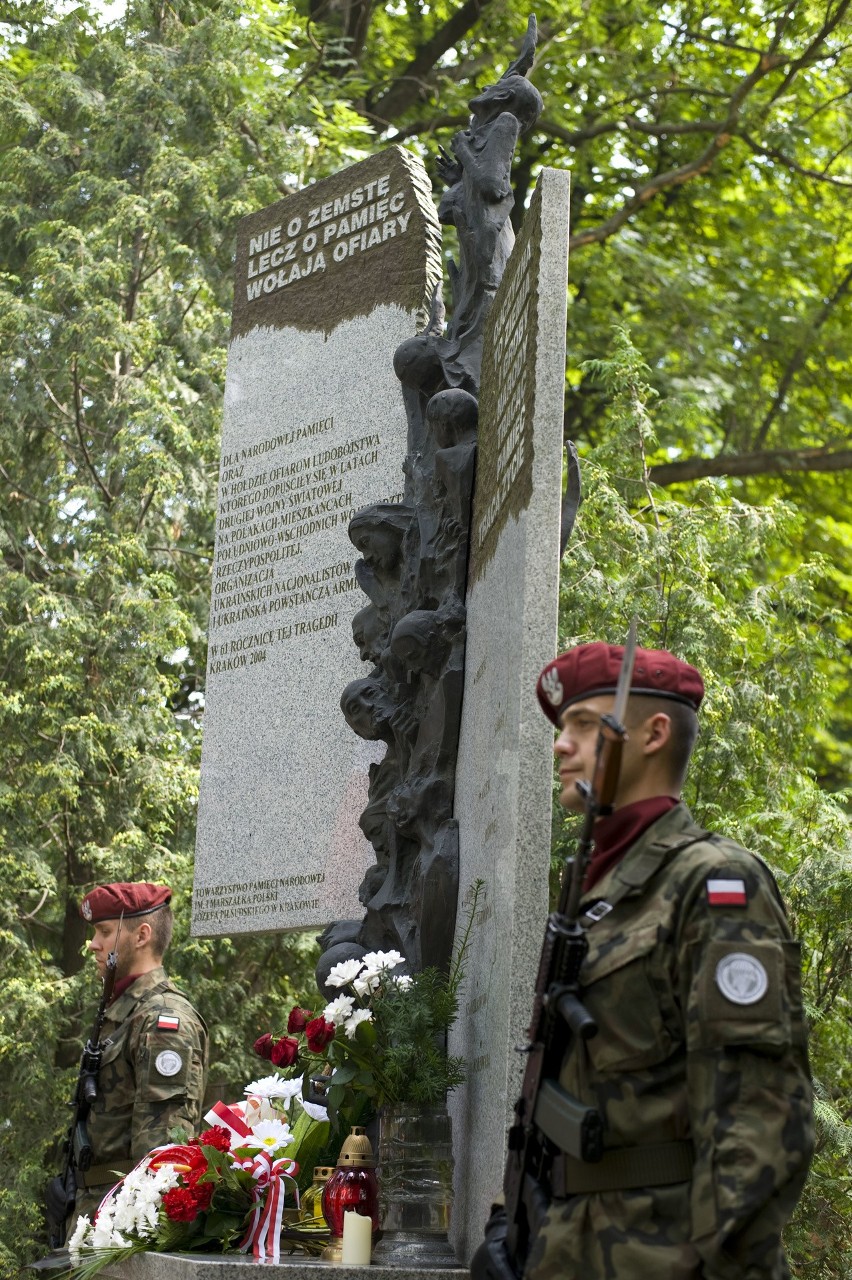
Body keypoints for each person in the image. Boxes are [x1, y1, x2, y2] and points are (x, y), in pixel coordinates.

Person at [486, 642, 814, 1280]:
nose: (561, 744)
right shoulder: (592, 887)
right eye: (563, 728)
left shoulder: (715, 883)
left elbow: (759, 1117)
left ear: (653, 733)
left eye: (583, 724)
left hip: (659, 1256)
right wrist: (516, 1223)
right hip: (567, 1248)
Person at [71, 882, 209, 1224]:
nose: (93, 944)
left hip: (123, 1222)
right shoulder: (122, 1013)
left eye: (104, 931)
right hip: (97, 1212)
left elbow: (160, 1159)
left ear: (141, 935)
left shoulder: (163, 1020)